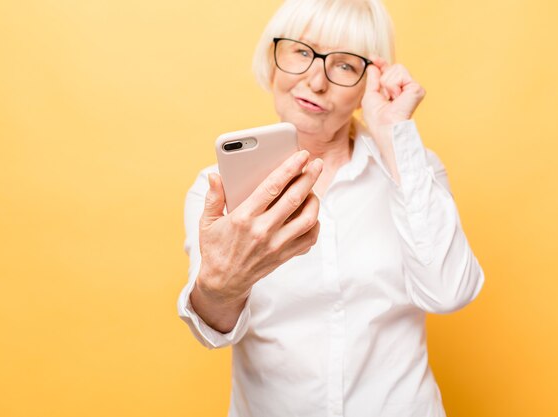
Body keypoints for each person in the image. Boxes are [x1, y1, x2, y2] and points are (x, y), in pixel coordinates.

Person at [177, 0, 484, 416]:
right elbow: (213, 330)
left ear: (369, 80)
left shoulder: (412, 167)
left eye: (344, 65)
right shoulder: (217, 189)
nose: (316, 81)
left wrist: (395, 134)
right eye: (301, 52)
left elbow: (448, 293)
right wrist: (222, 282)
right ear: (272, 59)